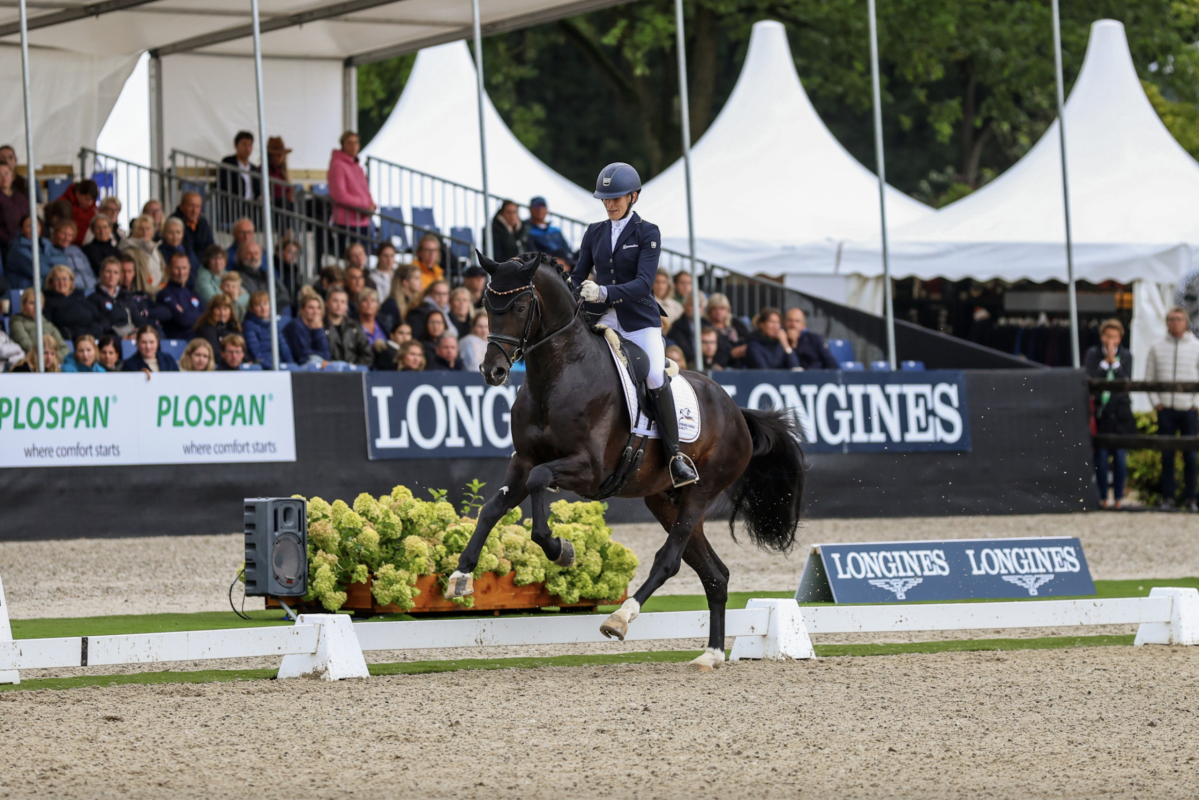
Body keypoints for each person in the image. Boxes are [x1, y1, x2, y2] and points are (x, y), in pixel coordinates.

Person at [572, 162, 696, 487]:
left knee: (654, 374)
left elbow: (643, 283)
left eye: (616, 198)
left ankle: (675, 456)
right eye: (605, 199)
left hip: (639, 320)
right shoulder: (594, 232)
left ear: (633, 196)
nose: (609, 204)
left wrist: (603, 292)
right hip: (604, 316)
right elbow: (577, 275)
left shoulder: (647, 232)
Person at [1147, 307, 1199, 512]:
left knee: (1191, 456)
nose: (1175, 322)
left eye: (1179, 319)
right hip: (1166, 409)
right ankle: (1168, 497)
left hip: (1188, 409)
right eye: (1171, 319)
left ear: (1186, 322)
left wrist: (1195, 404)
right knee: (1166, 455)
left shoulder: (1196, 346)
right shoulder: (1156, 347)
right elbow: (1149, 378)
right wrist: (1157, 403)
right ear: (1166, 322)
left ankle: (1191, 498)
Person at [1086, 319, 1135, 509]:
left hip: (1120, 412)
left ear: (1120, 338)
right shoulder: (1093, 354)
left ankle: (1119, 497)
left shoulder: (1126, 355)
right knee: (1101, 457)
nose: (1111, 340)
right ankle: (1103, 496)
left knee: (1120, 457)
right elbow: (1091, 379)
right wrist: (1105, 363)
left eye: (1114, 336)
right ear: (1102, 337)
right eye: (1108, 336)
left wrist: (1114, 362)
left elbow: (1125, 380)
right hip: (1101, 412)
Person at [328, 131, 375, 246]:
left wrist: (372, 205)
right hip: (346, 221)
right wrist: (364, 205)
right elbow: (340, 195)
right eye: (349, 143)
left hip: (362, 220)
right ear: (343, 145)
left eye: (356, 142)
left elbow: (365, 191)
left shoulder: (358, 167)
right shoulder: (337, 165)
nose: (353, 146)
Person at [43, 265, 104, 340]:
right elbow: (48, 326)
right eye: (57, 279)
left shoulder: (80, 297)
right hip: (68, 340)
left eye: (64, 279)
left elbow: (98, 317)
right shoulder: (47, 301)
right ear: (51, 282)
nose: (61, 283)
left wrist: (99, 329)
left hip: (92, 337)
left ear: (71, 281)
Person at [232, 239, 291, 312]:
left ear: (261, 255)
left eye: (256, 253)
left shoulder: (266, 274)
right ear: (240, 255)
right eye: (249, 253)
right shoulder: (236, 276)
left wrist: (268, 307)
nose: (253, 257)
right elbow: (253, 299)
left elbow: (285, 295)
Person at [11, 288, 68, 362]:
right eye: (31, 303)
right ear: (24, 305)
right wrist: (47, 358)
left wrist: (51, 358)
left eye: (38, 303)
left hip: (51, 364)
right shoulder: (16, 322)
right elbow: (27, 346)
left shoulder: (47, 323)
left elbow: (65, 349)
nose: (36, 307)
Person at [118, 252, 170, 333]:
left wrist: (146, 312)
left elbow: (166, 312)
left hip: (155, 333)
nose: (126, 276)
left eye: (129, 271)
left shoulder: (141, 295)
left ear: (134, 273)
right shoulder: (116, 296)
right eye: (123, 271)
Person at [87, 257, 137, 339]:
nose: (112, 276)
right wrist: (120, 338)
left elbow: (138, 318)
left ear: (120, 276)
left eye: (116, 272)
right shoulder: (93, 299)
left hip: (132, 335)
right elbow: (99, 327)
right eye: (108, 271)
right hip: (111, 339)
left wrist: (140, 331)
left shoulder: (125, 296)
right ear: (101, 273)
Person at [156, 251, 202, 340]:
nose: (181, 273)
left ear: (189, 269)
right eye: (177, 268)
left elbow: (206, 317)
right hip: (176, 342)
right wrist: (196, 315)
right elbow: (183, 320)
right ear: (168, 269)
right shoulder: (165, 294)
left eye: (184, 268)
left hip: (196, 341)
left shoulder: (193, 294)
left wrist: (186, 313)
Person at [243, 291, 294, 369]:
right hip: (263, 368)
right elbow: (255, 352)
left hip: (279, 365)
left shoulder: (274, 324)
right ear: (252, 309)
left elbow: (284, 347)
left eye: (265, 304)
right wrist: (271, 367)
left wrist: (291, 365)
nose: (263, 308)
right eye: (258, 305)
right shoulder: (249, 325)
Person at [43, 221, 96, 294]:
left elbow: (88, 269)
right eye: (63, 234)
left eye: (70, 235)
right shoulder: (49, 251)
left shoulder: (76, 249)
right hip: (72, 291)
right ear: (55, 233)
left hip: (92, 287)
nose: (66, 238)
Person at [324, 287, 371, 367]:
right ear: (327, 303)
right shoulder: (320, 327)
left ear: (346, 306)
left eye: (343, 302)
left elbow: (367, 355)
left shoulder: (354, 326)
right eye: (335, 301)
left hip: (353, 372)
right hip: (328, 371)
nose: (339, 305)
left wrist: (352, 368)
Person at [284, 292, 331, 368]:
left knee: (341, 365)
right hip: (299, 367)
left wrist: (318, 330)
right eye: (311, 308)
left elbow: (327, 354)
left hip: (318, 363)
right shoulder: (295, 326)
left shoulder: (319, 327)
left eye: (318, 308)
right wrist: (322, 359)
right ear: (302, 309)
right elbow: (303, 355)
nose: (315, 312)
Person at [523, 196, 574, 264]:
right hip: (546, 264)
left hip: (566, 262)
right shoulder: (526, 230)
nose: (540, 209)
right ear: (530, 209)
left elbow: (568, 250)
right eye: (536, 206)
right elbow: (532, 253)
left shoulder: (555, 230)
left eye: (543, 206)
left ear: (547, 209)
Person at [119, 214, 165, 287]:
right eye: (141, 229)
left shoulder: (155, 248)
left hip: (159, 289)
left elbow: (163, 270)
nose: (145, 232)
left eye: (148, 228)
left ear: (153, 231)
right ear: (135, 231)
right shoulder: (130, 251)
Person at [706, 293, 750, 365]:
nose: (718, 312)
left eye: (722, 308)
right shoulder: (705, 325)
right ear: (709, 310)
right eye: (715, 308)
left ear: (727, 310)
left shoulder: (736, 323)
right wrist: (731, 353)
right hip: (718, 362)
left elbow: (747, 338)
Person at [667, 292, 707, 369]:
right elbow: (684, 350)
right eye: (692, 305)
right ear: (684, 306)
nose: (695, 309)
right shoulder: (677, 327)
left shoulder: (707, 324)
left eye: (699, 306)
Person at [6, 214, 46, 289]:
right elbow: (36, 269)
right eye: (29, 226)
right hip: (24, 289)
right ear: (22, 230)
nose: (33, 229)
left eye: (36, 226)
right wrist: (56, 270)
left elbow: (62, 259)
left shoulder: (45, 243)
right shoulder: (17, 248)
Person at [219, 131, 261, 203]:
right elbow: (225, 185)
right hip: (234, 204)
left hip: (252, 205)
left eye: (250, 145)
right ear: (236, 146)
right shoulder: (228, 162)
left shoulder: (254, 169)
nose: (247, 148)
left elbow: (258, 189)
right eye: (244, 144)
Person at [157, 217, 199, 282]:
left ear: (183, 234)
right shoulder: (160, 251)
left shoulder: (187, 248)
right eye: (171, 233)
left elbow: (195, 268)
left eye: (178, 232)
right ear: (164, 234)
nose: (175, 236)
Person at [174, 191, 215, 259]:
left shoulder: (203, 223)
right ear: (182, 207)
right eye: (190, 206)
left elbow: (211, 247)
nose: (194, 211)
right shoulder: (174, 224)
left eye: (197, 206)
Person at [0, 163, 29, 254]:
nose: (4, 178)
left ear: (12, 176)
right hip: (6, 245)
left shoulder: (21, 198)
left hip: (26, 240)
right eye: (0, 175)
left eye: (6, 173)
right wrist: (10, 240)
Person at [61, 180, 99, 245]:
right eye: (86, 198)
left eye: (92, 200)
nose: (89, 203)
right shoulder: (63, 205)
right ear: (77, 193)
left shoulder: (93, 209)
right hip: (67, 244)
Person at [266, 136, 295, 208]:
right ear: (270, 155)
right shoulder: (264, 171)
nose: (281, 157)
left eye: (282, 154)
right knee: (283, 202)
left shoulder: (282, 172)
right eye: (278, 155)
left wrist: (290, 194)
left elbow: (289, 191)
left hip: (287, 204)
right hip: (276, 205)